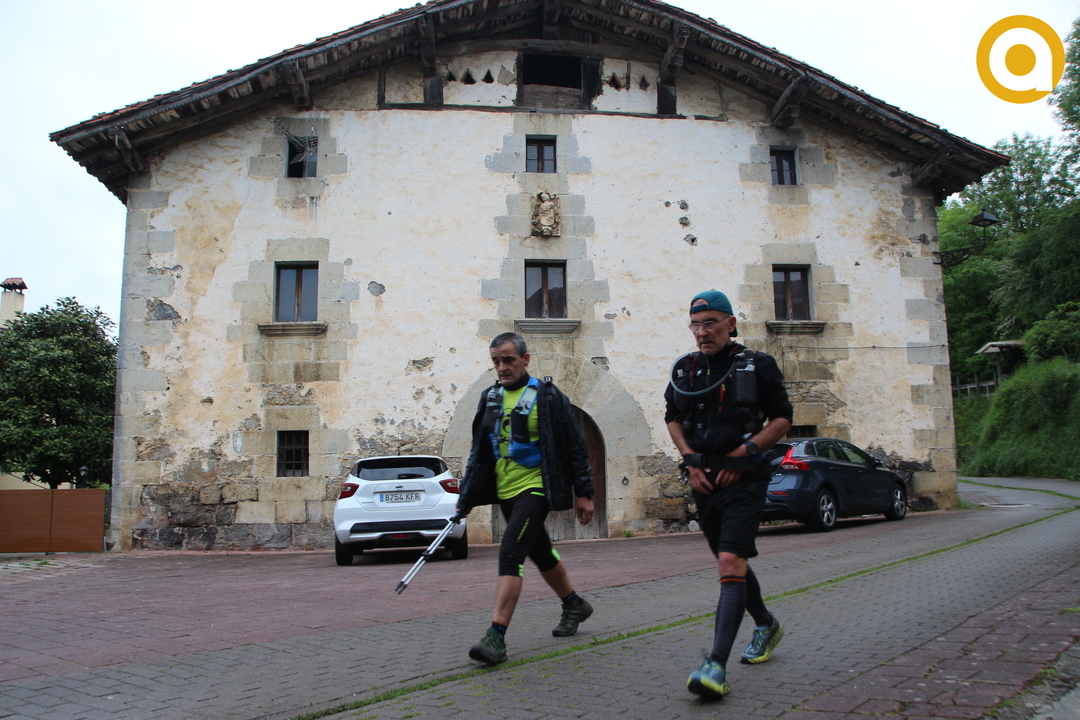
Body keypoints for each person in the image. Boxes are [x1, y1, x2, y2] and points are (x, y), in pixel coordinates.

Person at [664, 290, 793, 699]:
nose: (702, 333)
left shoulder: (757, 365)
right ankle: (766, 624)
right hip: (704, 481)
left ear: (730, 324)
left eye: (711, 324)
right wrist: (690, 460)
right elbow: (673, 418)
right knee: (730, 559)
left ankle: (715, 666)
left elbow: (782, 419)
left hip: (745, 479)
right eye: (696, 325)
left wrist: (745, 453)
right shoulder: (685, 369)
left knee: (729, 560)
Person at [457, 332, 596, 665]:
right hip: (505, 491)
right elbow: (479, 451)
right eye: (496, 361)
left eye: (508, 360)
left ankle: (495, 638)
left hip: (535, 488)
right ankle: (574, 604)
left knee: (511, 553)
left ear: (525, 359)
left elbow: (575, 446)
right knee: (542, 553)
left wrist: (585, 492)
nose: (502, 367)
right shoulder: (490, 397)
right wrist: (467, 495)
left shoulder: (547, 397)